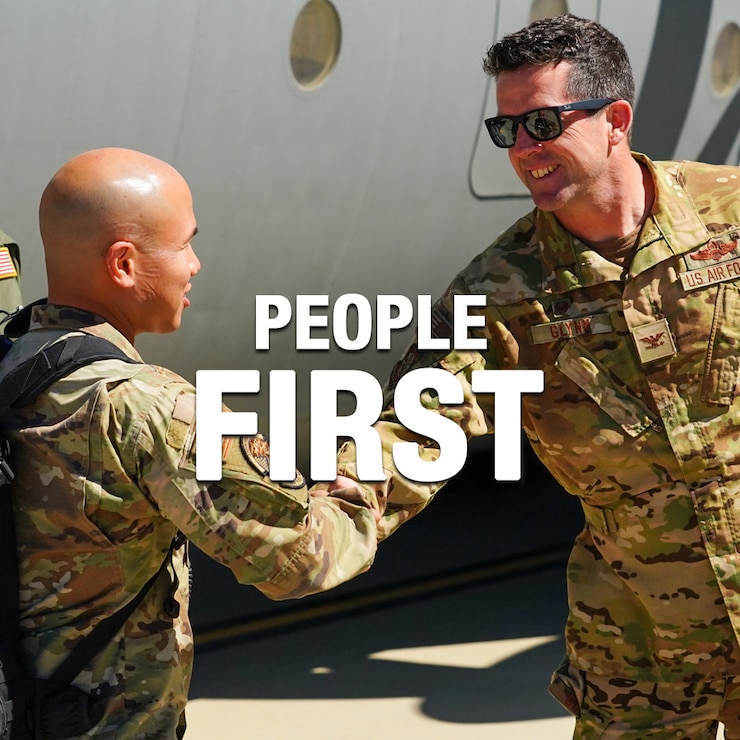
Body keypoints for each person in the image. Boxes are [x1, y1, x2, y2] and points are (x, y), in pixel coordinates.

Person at [335, 13, 740, 739]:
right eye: (508, 130)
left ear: (615, 118)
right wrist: (333, 499)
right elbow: (419, 419)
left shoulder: (729, 215)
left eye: (545, 123)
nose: (524, 150)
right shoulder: (501, 293)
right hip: (642, 652)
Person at [0, 147, 392, 739]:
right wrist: (392, 456)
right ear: (124, 264)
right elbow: (305, 557)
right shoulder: (148, 408)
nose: (196, 264)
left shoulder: (14, 356)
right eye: (183, 244)